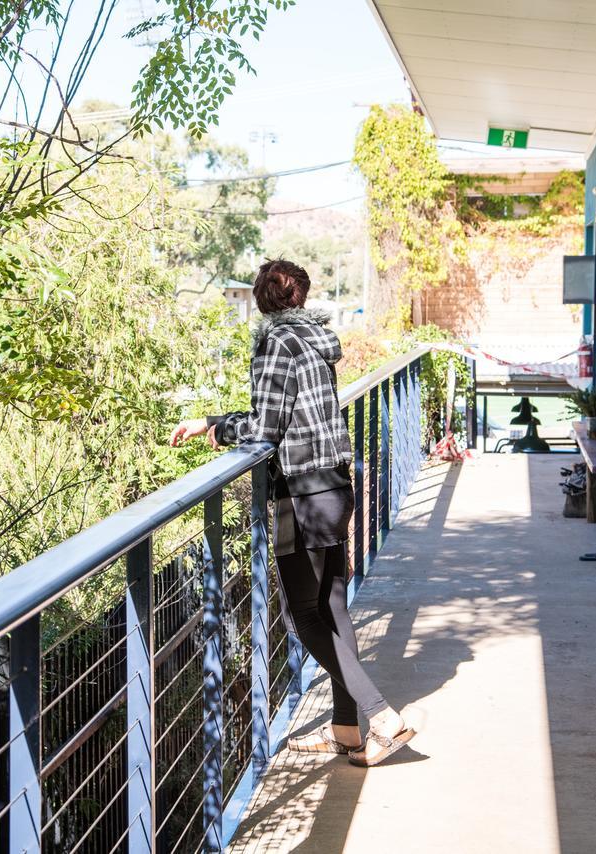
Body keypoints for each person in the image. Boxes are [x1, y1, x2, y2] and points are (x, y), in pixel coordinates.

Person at [170, 259, 414, 767]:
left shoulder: (274, 343)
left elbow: (265, 428)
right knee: (333, 609)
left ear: (261, 301)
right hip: (335, 485)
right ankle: (347, 729)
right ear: (300, 296)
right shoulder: (316, 341)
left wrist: (216, 429)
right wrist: (216, 421)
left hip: (301, 495)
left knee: (301, 614)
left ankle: (382, 717)